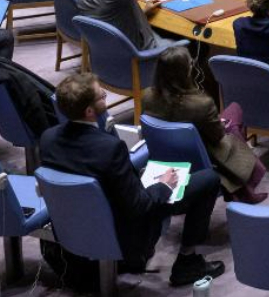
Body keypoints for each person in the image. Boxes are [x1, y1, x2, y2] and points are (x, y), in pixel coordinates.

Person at [40, 72, 226, 285]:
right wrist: (164, 184)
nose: (104, 95)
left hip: (75, 225)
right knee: (209, 179)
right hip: (122, 232)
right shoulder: (109, 149)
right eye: (101, 96)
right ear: (89, 111)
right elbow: (141, 207)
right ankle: (187, 262)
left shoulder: (48, 139)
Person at [143, 45, 267, 203]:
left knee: (230, 124)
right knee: (234, 114)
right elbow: (217, 137)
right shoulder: (202, 104)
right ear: (186, 72)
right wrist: (220, 124)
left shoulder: (147, 95)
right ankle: (242, 189)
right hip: (203, 153)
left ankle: (241, 190)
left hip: (168, 151)